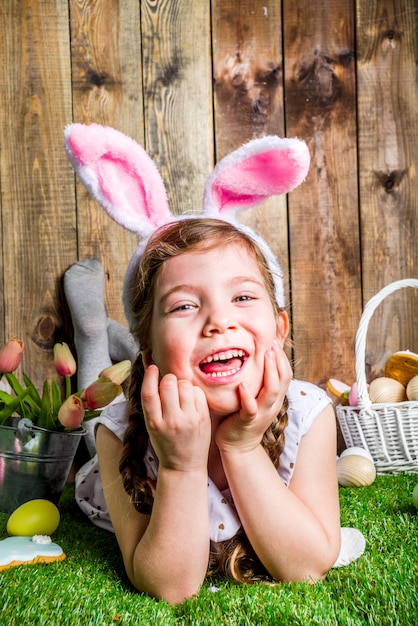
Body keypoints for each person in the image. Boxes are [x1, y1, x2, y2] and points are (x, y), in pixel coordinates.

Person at [63, 124, 365, 605]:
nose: (219, 321)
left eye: (243, 296)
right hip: (133, 412)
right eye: (184, 306)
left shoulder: (310, 412)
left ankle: (102, 333)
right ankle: (94, 334)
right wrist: (180, 465)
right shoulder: (115, 430)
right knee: (89, 391)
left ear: (279, 329)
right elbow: (168, 586)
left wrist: (241, 448)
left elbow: (307, 566)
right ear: (151, 353)